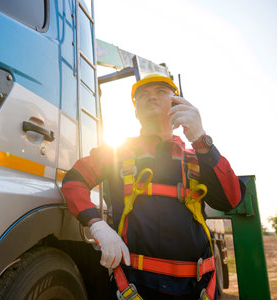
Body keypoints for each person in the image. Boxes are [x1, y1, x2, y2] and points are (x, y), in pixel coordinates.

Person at [61, 74, 245, 300]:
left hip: (196, 289)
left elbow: (231, 199)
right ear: (136, 112)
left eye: (160, 92)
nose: (151, 98)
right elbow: (73, 181)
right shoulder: (115, 153)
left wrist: (200, 138)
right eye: (142, 96)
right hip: (135, 288)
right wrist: (96, 224)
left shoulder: (197, 158)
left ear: (177, 103)